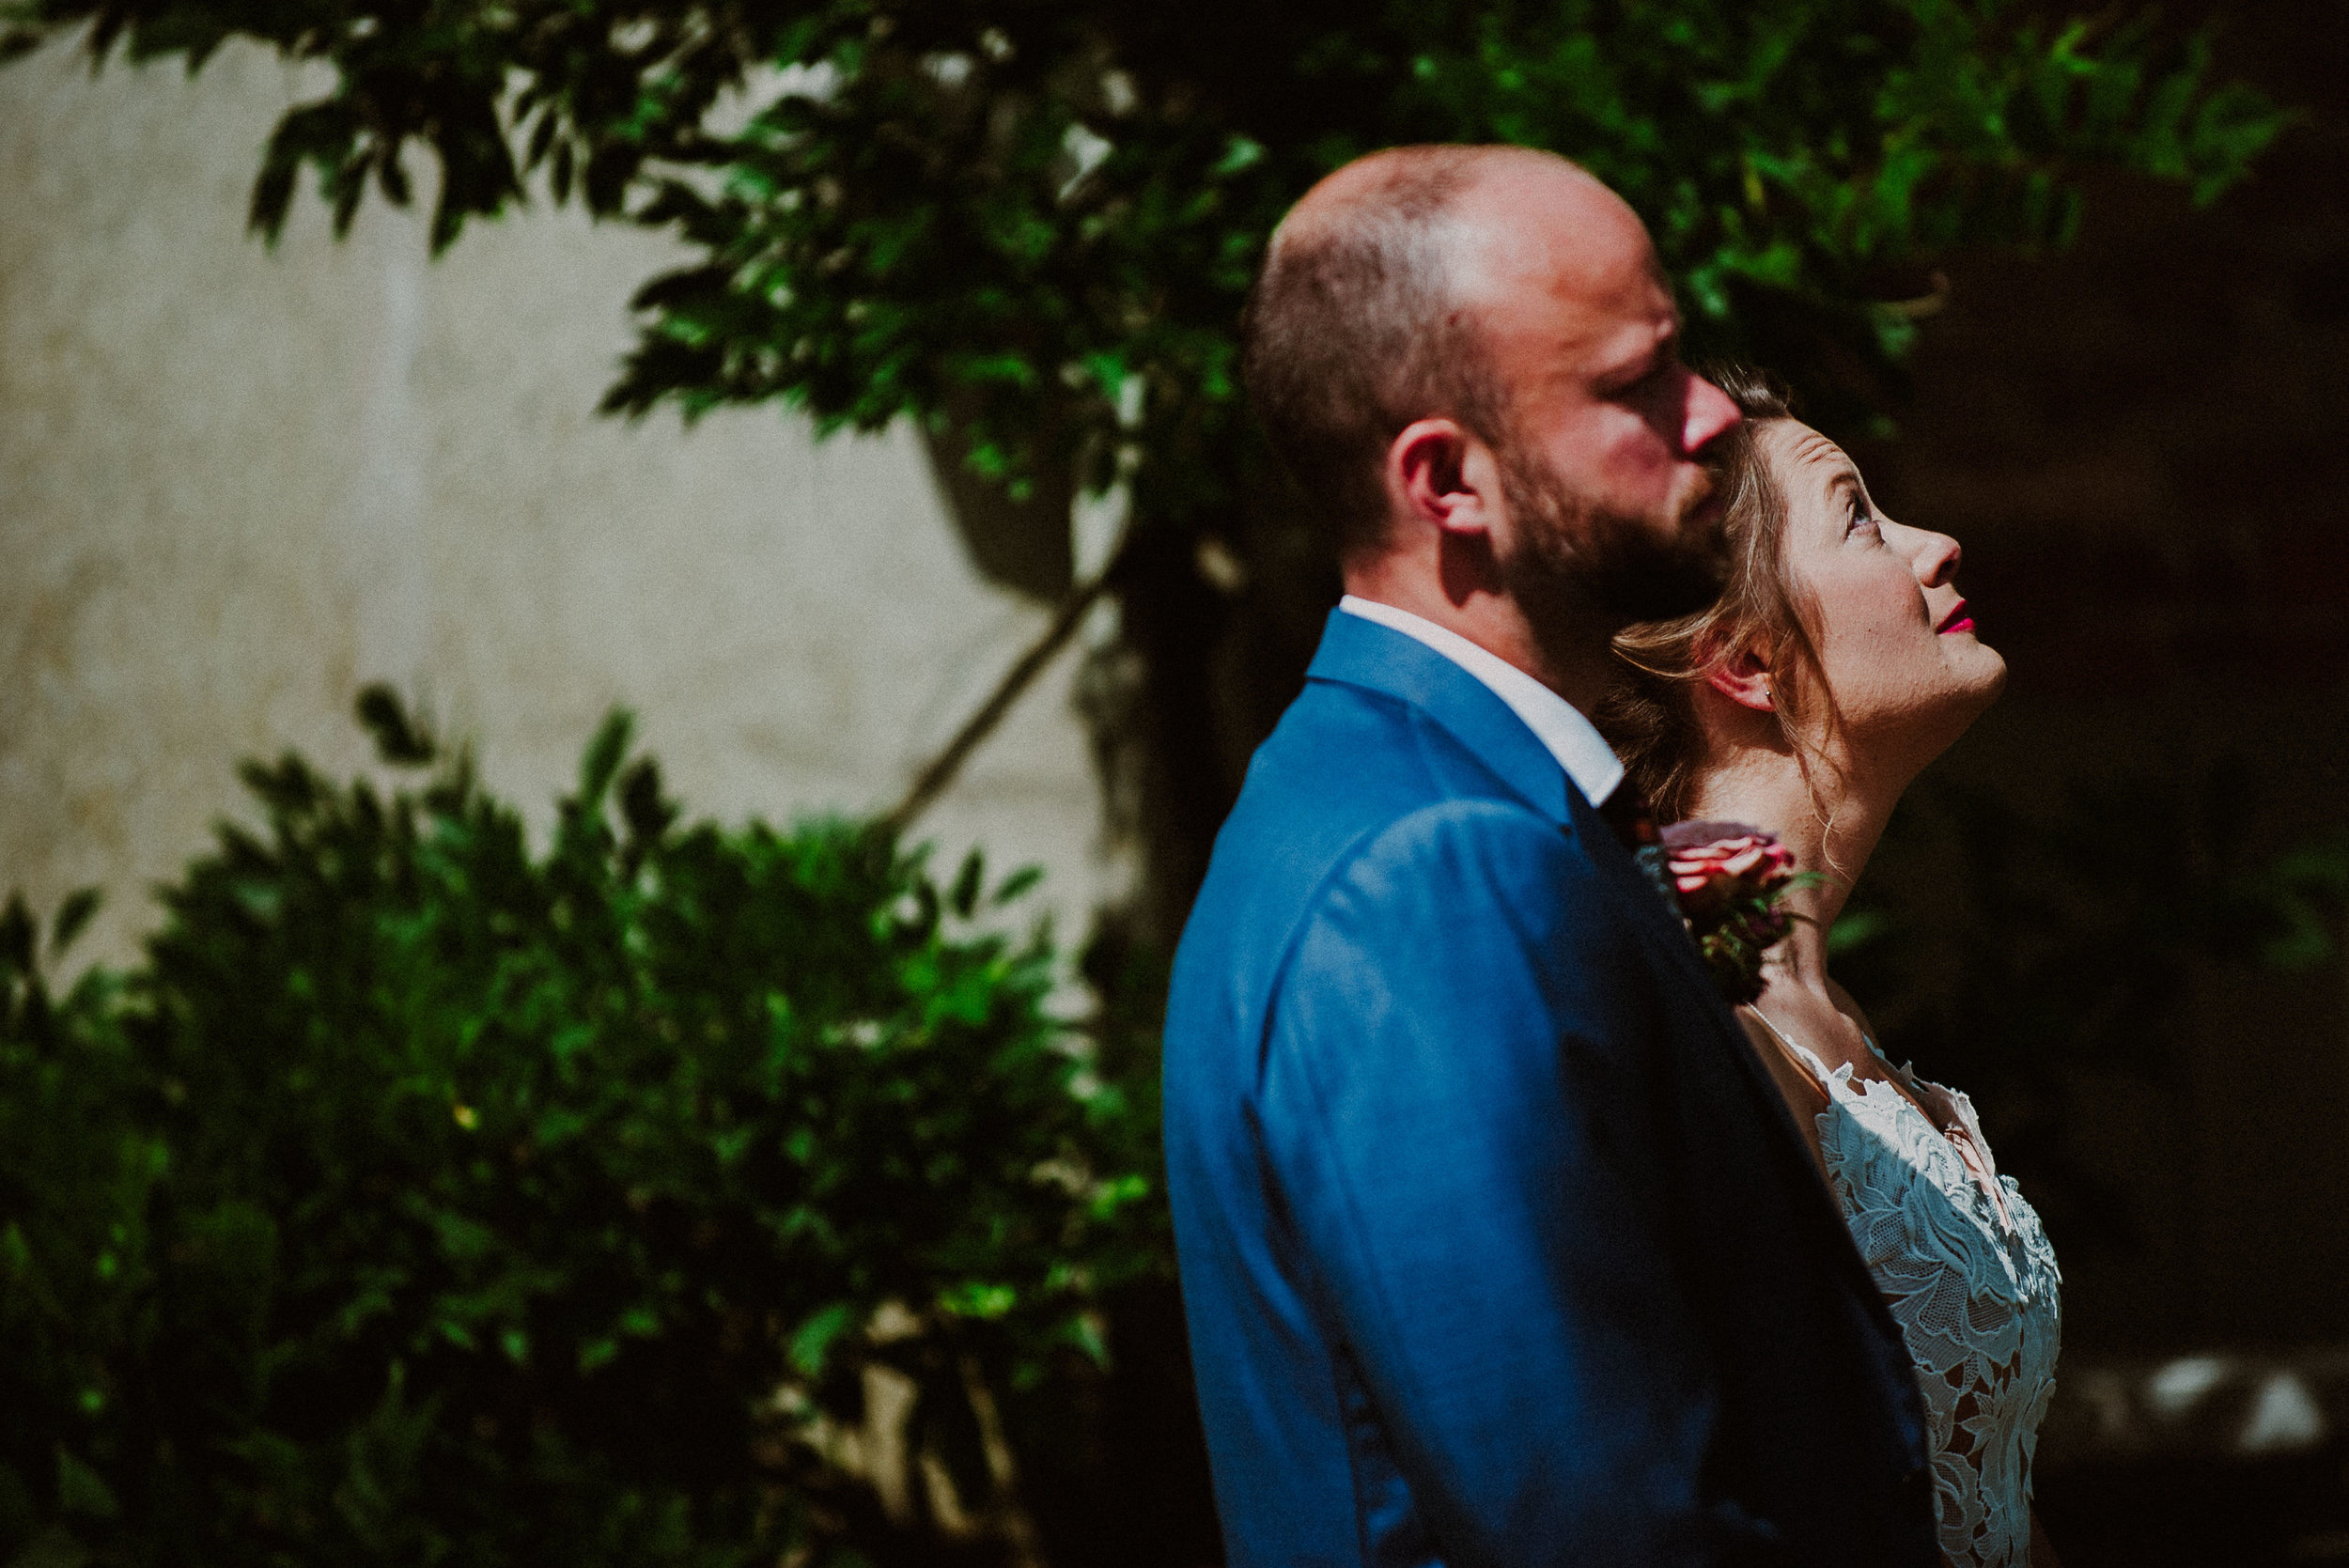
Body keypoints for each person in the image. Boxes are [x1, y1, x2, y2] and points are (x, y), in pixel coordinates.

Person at [1162, 144, 1939, 1567]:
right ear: (1448, 481)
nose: (1710, 413)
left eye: (1681, 352)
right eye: (1635, 383)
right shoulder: (1431, 872)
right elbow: (1601, 1521)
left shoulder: (1416, 795)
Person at [1599, 369, 2061, 1568]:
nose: (1937, 543)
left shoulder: (1820, 1004)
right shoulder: (1710, 1015)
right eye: (1858, 513)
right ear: (1746, 660)